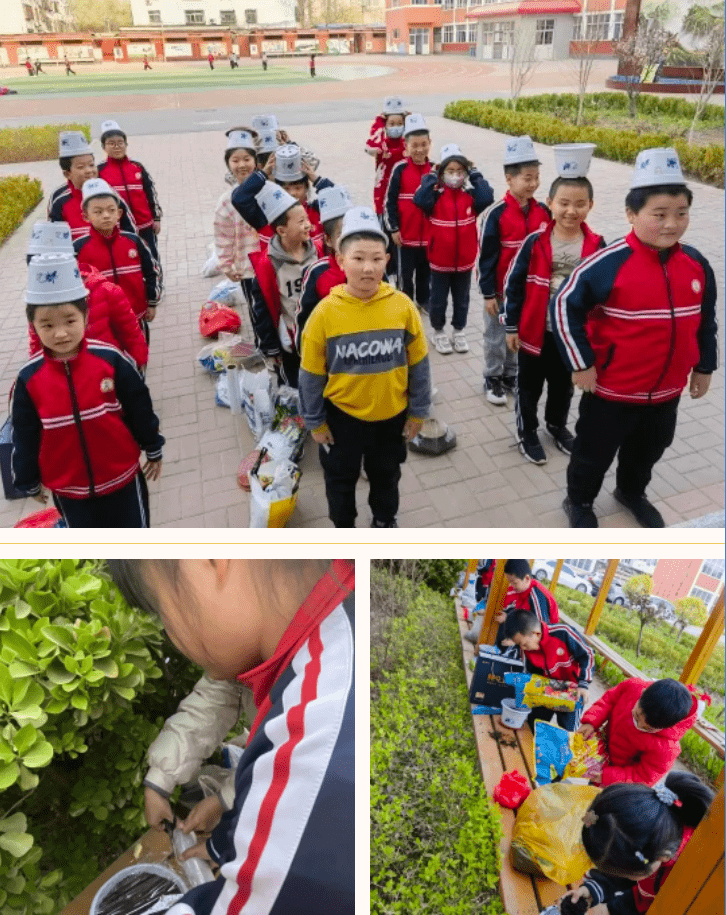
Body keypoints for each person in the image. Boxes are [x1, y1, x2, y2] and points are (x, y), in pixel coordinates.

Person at [105, 558, 354, 915]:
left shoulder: (316, 740)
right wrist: (165, 784)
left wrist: (225, 811)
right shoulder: (321, 627)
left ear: (211, 561)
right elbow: (218, 696)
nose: (172, 637)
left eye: (162, 613)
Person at [552, 147, 718, 528]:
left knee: (649, 450)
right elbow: (564, 305)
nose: (671, 224)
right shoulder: (607, 264)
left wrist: (705, 366)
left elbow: (705, 321)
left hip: (666, 392)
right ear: (631, 214)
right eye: (658, 215)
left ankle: (631, 491)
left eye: (680, 214)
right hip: (612, 391)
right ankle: (579, 502)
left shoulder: (696, 264)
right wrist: (581, 364)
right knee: (593, 453)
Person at [299, 206, 431, 528]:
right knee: (340, 482)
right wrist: (315, 420)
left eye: (376, 258)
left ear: (387, 259)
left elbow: (419, 364)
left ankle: (384, 521)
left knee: (386, 477)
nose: (368, 268)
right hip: (342, 420)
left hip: (391, 418)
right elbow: (311, 376)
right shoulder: (324, 314)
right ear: (341, 261)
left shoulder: (402, 307)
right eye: (358, 258)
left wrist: (418, 411)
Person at [12, 253, 163, 527]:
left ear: (85, 315)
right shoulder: (29, 379)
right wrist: (28, 479)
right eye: (47, 324)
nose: (60, 333)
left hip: (123, 479)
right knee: (90, 556)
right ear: (33, 326)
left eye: (69, 320)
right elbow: (24, 433)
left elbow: (139, 407)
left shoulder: (111, 360)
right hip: (70, 491)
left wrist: (153, 446)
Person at [503, 158, 605, 464]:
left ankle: (556, 425)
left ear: (590, 205)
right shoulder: (535, 242)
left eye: (579, 204)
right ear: (549, 203)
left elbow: (603, 298)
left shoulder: (598, 246)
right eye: (563, 203)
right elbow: (514, 284)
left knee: (563, 388)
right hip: (534, 333)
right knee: (528, 388)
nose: (570, 211)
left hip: (571, 338)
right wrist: (510, 326)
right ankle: (527, 432)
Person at [561, 772, 714, 915]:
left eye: (619, 870)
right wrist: (591, 891)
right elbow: (626, 869)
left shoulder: (695, 877)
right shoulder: (646, 847)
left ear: (660, 859)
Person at [479, 135, 550, 406]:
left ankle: (510, 374)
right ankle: (492, 377)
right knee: (495, 336)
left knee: (516, 333)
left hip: (528, 291)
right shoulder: (495, 214)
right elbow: (485, 258)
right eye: (527, 178)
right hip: (500, 292)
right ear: (509, 179)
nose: (533, 183)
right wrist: (488, 294)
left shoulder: (543, 211)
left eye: (536, 177)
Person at [141, 673, 257, 835]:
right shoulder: (235, 659)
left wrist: (224, 801)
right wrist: (158, 782)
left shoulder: (300, 682)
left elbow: (280, 756)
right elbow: (212, 699)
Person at [26, 223, 148, 370]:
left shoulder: (105, 291)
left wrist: (139, 360)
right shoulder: (37, 304)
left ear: (73, 262)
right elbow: (36, 343)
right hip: (64, 376)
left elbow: (129, 331)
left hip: (108, 370)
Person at [414, 142, 493, 354]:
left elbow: (488, 197)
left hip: (465, 261)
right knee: (438, 300)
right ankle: (438, 332)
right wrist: (432, 175)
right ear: (442, 172)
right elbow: (419, 199)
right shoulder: (435, 195)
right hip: (440, 261)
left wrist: (474, 172)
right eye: (450, 171)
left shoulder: (471, 195)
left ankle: (459, 331)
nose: (455, 175)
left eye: (459, 171)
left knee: (462, 299)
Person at [247, 182, 322, 387]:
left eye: (307, 218)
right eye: (300, 221)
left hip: (322, 335)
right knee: (296, 385)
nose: (308, 224)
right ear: (281, 230)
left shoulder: (318, 251)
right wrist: (271, 348)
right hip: (291, 342)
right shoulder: (268, 265)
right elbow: (260, 310)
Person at [73, 178, 162, 342]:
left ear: (119, 214)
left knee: (139, 356)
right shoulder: (78, 249)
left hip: (135, 315)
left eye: (111, 210)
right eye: (98, 212)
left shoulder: (133, 241)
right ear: (85, 216)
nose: (106, 216)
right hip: (101, 322)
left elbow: (152, 271)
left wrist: (151, 302)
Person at [577, 678, 698, 787]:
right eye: (636, 716)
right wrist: (591, 721)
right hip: (599, 752)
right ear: (642, 693)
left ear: (669, 726)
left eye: (648, 729)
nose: (639, 726)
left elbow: (643, 777)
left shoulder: (667, 748)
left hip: (617, 780)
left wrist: (608, 776)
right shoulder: (632, 687)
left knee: (597, 802)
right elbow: (609, 700)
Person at [503, 609, 594, 731]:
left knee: (568, 731)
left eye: (523, 644)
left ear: (536, 633)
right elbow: (530, 674)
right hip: (546, 689)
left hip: (572, 691)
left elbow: (588, 654)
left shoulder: (563, 633)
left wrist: (584, 684)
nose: (522, 648)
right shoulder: (527, 650)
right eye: (519, 645)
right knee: (533, 725)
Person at [233, 142, 333, 250]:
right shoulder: (266, 218)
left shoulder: (317, 211)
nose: (292, 193)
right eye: (286, 189)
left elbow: (339, 201)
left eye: (298, 188)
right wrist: (263, 174)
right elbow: (239, 198)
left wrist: (316, 179)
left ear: (307, 188)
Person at [48, 131, 136, 242]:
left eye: (91, 165)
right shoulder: (59, 199)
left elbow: (130, 230)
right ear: (67, 174)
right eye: (81, 167)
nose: (89, 171)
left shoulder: (109, 192)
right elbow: (53, 239)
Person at [385, 113, 433, 312]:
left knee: (425, 273)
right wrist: (393, 228)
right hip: (404, 237)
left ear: (430, 143)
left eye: (424, 144)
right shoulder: (400, 169)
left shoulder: (436, 170)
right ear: (406, 147)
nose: (419, 149)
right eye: (414, 145)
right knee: (405, 275)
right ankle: (406, 306)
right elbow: (389, 202)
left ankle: (423, 301)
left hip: (429, 238)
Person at [295, 184, 353, 348]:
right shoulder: (317, 272)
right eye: (342, 235)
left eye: (353, 231)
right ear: (328, 240)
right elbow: (305, 317)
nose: (350, 240)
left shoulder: (372, 268)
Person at [98, 119, 163, 260]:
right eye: (111, 143)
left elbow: (150, 193)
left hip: (145, 225)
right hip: (119, 229)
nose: (117, 147)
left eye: (120, 143)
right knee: (127, 261)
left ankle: (156, 283)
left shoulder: (137, 167)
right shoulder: (99, 172)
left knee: (151, 259)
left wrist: (156, 218)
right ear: (103, 147)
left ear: (126, 145)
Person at [214, 129, 261, 307]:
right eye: (235, 160)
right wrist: (226, 265)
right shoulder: (226, 202)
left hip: (274, 265)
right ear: (228, 165)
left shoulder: (268, 191)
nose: (242, 165)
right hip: (248, 269)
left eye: (247, 159)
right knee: (257, 311)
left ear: (255, 162)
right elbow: (222, 236)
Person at [365, 96, 408, 283]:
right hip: (383, 195)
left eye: (400, 122)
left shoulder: (408, 141)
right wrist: (379, 122)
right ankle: (385, 274)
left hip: (403, 196)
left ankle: (400, 275)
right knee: (385, 236)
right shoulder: (381, 140)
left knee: (400, 236)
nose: (396, 126)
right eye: (392, 123)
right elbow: (369, 147)